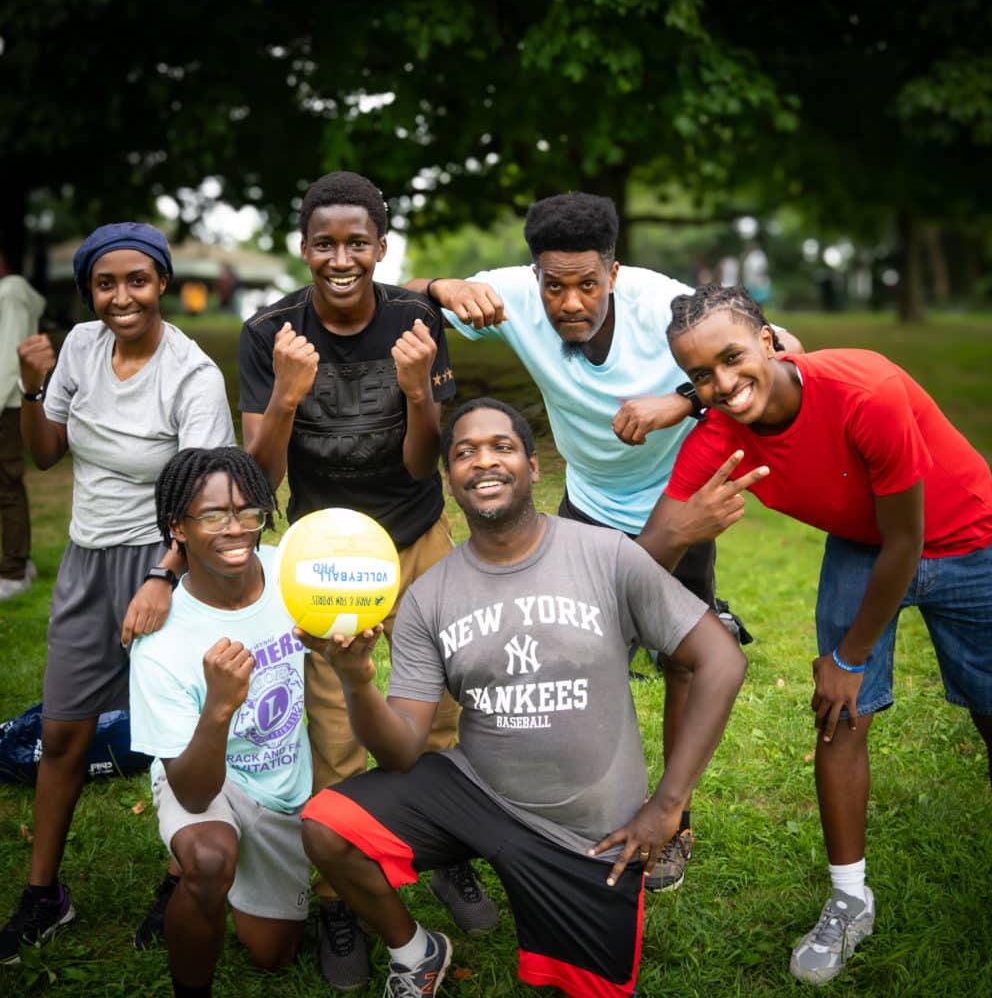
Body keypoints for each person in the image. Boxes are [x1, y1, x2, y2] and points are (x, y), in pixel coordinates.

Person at [407, 192, 800, 891]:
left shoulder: (662, 302)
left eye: (588, 283)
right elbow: (394, 299)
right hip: (587, 504)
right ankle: (566, 812)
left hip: (676, 499)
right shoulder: (508, 298)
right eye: (553, 285)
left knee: (685, 661)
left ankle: (673, 825)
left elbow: (781, 351)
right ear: (534, 279)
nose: (569, 302)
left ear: (614, 273)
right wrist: (440, 288)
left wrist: (679, 401)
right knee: (574, 656)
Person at [637, 284, 992, 987]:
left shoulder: (864, 389)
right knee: (838, 720)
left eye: (731, 358)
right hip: (860, 540)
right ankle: (850, 900)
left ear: (768, 339)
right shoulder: (719, 433)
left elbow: (905, 543)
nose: (722, 385)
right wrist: (682, 532)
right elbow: (646, 556)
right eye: (700, 376)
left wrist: (849, 657)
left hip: (963, 536)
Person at [299, 397, 747, 998]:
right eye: (464, 452)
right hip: (477, 793)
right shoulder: (429, 597)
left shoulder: (606, 555)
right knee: (329, 827)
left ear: (535, 467)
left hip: (587, 833)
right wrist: (356, 680)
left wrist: (668, 805)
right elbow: (403, 751)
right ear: (449, 480)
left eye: (501, 447)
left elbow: (721, 659)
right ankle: (417, 952)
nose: (484, 462)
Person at [237, 171, 495, 989]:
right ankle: (345, 889)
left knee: (442, 708)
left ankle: (443, 855)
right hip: (324, 556)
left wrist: (420, 390)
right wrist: (284, 396)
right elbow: (260, 479)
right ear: (303, 247)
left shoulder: (415, 317)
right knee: (339, 730)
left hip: (416, 532)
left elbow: (426, 459)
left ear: (383, 250)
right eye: (325, 242)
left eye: (357, 243)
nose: (340, 257)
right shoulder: (268, 331)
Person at [0, 223, 235, 966]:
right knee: (63, 735)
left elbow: (210, 498)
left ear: (162, 282)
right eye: (106, 284)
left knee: (170, 740)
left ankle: (177, 884)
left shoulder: (192, 376)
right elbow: (45, 455)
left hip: (166, 560)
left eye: (138, 280)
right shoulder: (78, 348)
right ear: (90, 292)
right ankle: (44, 895)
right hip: (85, 560)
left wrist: (166, 577)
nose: (122, 296)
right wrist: (34, 384)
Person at [130, 448, 310, 998]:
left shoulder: (294, 574)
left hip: (284, 781)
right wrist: (218, 708)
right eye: (212, 516)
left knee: (273, 955)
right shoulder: (160, 644)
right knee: (210, 860)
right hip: (204, 770)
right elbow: (191, 786)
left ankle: (201, 875)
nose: (235, 530)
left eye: (246, 511)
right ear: (176, 529)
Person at [0, 240, 45, 600]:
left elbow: (9, 358)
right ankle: (20, 561)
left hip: (7, 404)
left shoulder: (11, 291)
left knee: (6, 486)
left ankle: (14, 571)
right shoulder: (13, 292)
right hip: (9, 402)